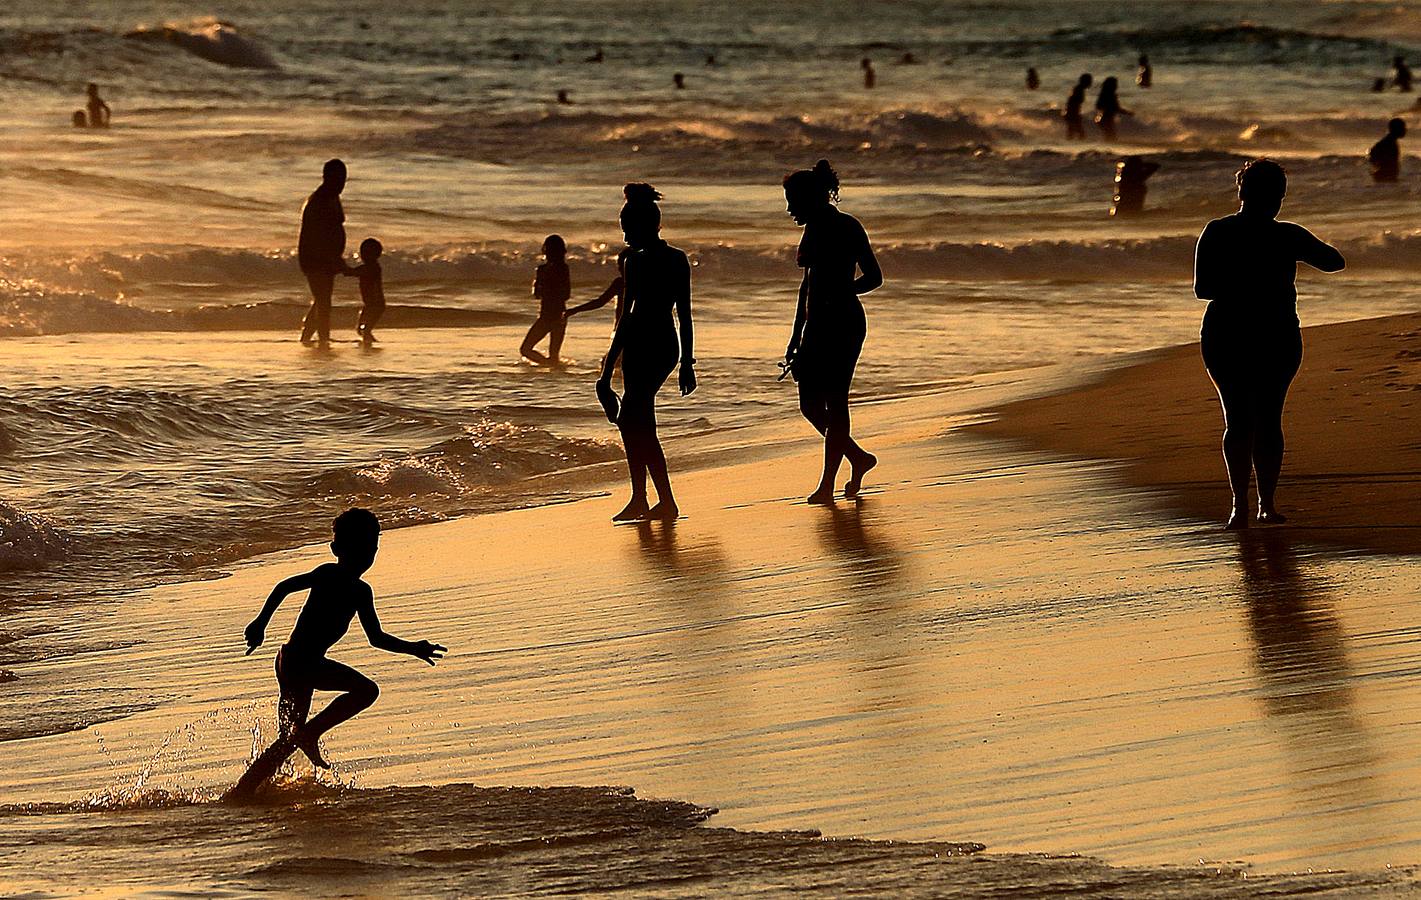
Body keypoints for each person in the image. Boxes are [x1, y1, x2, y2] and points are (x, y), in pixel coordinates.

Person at [1193, 159, 1345, 529]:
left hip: (1228, 332)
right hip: (1274, 332)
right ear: (1278, 196)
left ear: (1241, 191)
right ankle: (1265, 504)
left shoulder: (1218, 231)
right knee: (1267, 419)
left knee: (1238, 420)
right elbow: (1334, 262)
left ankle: (1239, 507)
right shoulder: (1286, 235)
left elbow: (1204, 288)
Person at [242, 508, 446, 768]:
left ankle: (246, 790)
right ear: (336, 548)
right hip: (302, 663)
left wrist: (413, 648)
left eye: (371, 548)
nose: (366, 554)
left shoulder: (362, 592)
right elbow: (284, 587)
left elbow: (377, 638)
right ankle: (310, 734)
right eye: (358, 547)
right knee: (366, 691)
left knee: (286, 740)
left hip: (292, 661)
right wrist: (260, 624)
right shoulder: (328, 574)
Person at [783, 159, 882, 504]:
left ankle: (827, 484)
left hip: (844, 323)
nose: (788, 209)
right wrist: (796, 335)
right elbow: (806, 286)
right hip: (816, 325)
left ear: (810, 198)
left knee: (836, 402)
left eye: (792, 201)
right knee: (810, 404)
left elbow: (874, 277)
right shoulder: (811, 230)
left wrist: (843, 291)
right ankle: (857, 457)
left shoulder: (848, 227)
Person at [597, 184, 696, 521]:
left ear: (648, 226)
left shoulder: (647, 262)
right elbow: (676, 315)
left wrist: (688, 363)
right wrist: (607, 373)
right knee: (633, 422)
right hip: (652, 345)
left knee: (636, 422)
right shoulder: (667, 259)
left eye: (629, 229)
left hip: (653, 345)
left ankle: (660, 500)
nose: (625, 237)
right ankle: (642, 497)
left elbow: (678, 313)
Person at [297, 159, 347, 345]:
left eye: (343, 180)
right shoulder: (317, 202)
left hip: (328, 258)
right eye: (337, 180)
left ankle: (307, 336)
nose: (341, 184)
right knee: (324, 299)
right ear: (326, 178)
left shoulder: (333, 197)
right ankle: (323, 337)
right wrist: (331, 258)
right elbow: (316, 237)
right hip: (315, 258)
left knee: (321, 298)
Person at [520, 235, 571, 365]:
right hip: (554, 315)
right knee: (550, 355)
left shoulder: (558, 269)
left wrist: (545, 289)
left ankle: (547, 367)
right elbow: (539, 293)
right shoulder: (547, 269)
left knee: (527, 349)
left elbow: (564, 293)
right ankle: (548, 365)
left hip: (553, 315)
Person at [566, 248, 628, 330]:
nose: (619, 268)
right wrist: (575, 310)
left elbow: (600, 302)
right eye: (618, 265)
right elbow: (599, 302)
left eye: (620, 265)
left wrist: (575, 310)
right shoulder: (619, 283)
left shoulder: (620, 283)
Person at [342, 237, 385, 344]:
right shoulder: (369, 267)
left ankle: (370, 344)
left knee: (365, 330)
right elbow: (352, 272)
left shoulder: (371, 268)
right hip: (370, 305)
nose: (362, 255)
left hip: (376, 305)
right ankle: (369, 342)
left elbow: (350, 272)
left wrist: (341, 266)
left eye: (364, 253)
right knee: (361, 329)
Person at [1368, 117, 1406, 182]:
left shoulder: (1389, 141)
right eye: (1403, 127)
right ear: (1396, 129)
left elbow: (1372, 155)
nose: (1405, 130)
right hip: (1385, 179)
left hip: (1385, 178)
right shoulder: (1389, 142)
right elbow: (1372, 153)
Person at [1094, 76, 1131, 141]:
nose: (1116, 86)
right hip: (1105, 119)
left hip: (1100, 119)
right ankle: (1106, 149)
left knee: (1109, 136)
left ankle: (1104, 149)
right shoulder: (1110, 95)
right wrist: (1127, 112)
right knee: (1111, 137)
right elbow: (1116, 108)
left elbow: (1098, 106)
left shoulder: (1104, 94)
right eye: (1115, 84)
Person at [1064, 73, 1092, 140]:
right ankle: (1077, 145)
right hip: (1073, 112)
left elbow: (1070, 101)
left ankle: (1071, 144)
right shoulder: (1079, 89)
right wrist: (1074, 113)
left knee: (1073, 130)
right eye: (1089, 81)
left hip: (1072, 112)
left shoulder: (1078, 89)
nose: (1090, 83)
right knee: (1078, 131)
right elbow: (1073, 101)